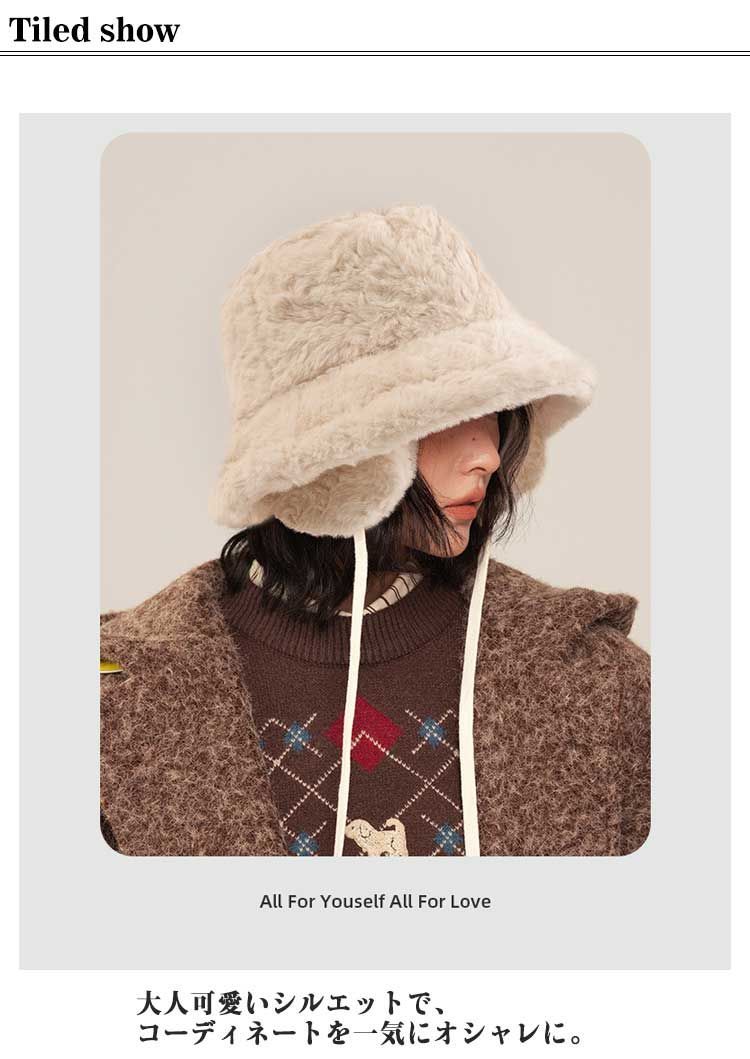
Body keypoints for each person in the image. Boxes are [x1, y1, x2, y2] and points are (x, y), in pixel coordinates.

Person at [100, 203, 650, 858]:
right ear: (340, 450)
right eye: (451, 412)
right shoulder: (111, 701)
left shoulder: (599, 684)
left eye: (499, 411)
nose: (488, 454)